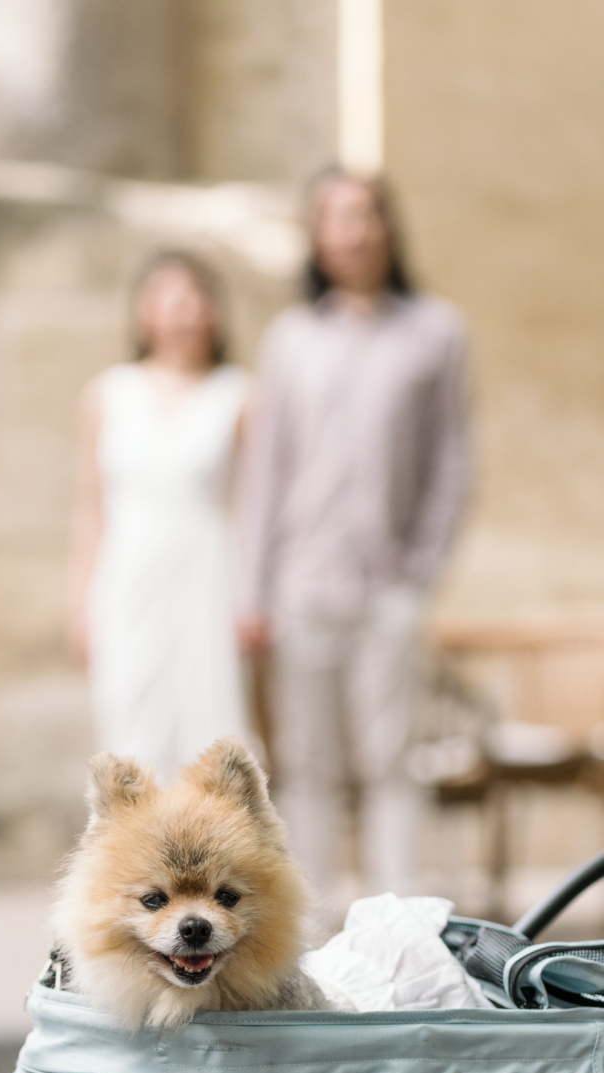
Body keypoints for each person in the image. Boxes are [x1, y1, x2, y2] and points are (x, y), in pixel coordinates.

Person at [236, 169, 471, 900]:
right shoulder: (292, 340)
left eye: (363, 214)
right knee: (308, 765)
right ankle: (306, 927)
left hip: (388, 588)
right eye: (334, 217)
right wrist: (254, 589)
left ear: (386, 226)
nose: (351, 231)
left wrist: (420, 572)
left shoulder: (436, 333)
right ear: (316, 235)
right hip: (302, 586)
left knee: (390, 759)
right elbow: (265, 470)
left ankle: (397, 917)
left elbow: (453, 461)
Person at [70, 251, 252, 783]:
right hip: (127, 573)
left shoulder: (239, 395)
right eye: (168, 301)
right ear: (143, 313)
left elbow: (254, 506)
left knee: (211, 730)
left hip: (208, 574)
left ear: (214, 313)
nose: (182, 315)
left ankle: (210, 861)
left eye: (195, 300)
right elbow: (91, 507)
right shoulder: (108, 394)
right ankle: (134, 865)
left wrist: (253, 595)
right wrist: (80, 601)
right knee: (129, 731)